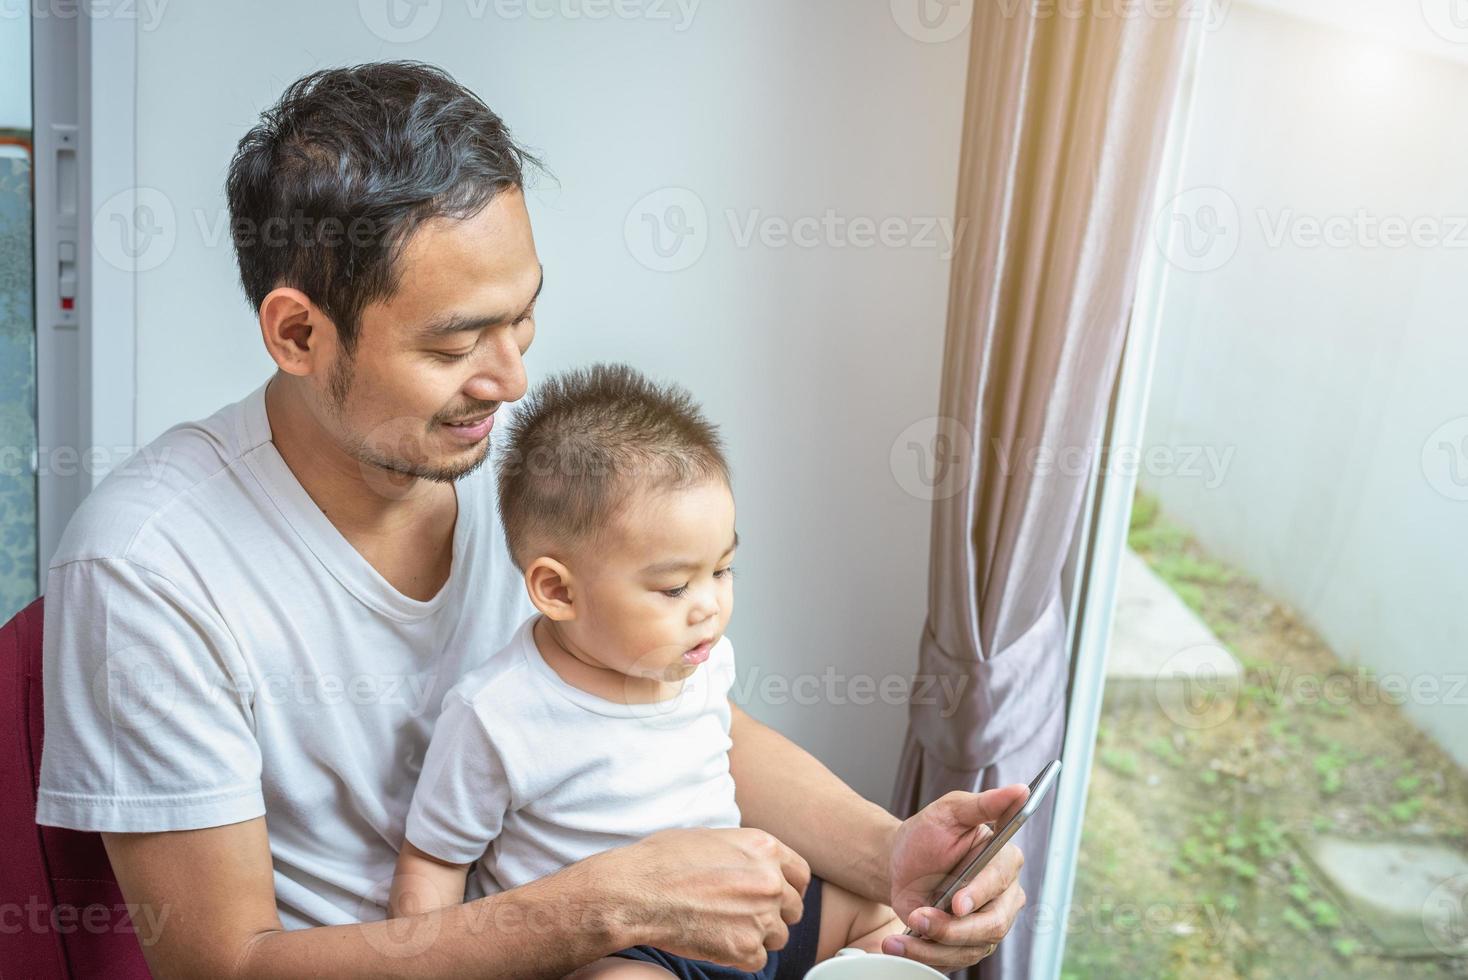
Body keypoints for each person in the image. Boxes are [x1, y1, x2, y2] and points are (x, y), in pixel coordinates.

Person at [36, 61, 1026, 977]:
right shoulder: (148, 566)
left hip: (614, 933)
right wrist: (606, 901)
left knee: (893, 929)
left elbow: (676, 718)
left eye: (522, 317)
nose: (511, 380)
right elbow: (227, 966)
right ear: (298, 331)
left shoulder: (516, 478)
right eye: (459, 340)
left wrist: (892, 849)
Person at [391, 363, 906, 978]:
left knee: (880, 913)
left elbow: (728, 753)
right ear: (557, 591)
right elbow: (433, 868)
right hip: (622, 954)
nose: (709, 606)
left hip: (747, 919)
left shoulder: (705, 660)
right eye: (673, 587)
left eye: (721, 571)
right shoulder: (497, 713)